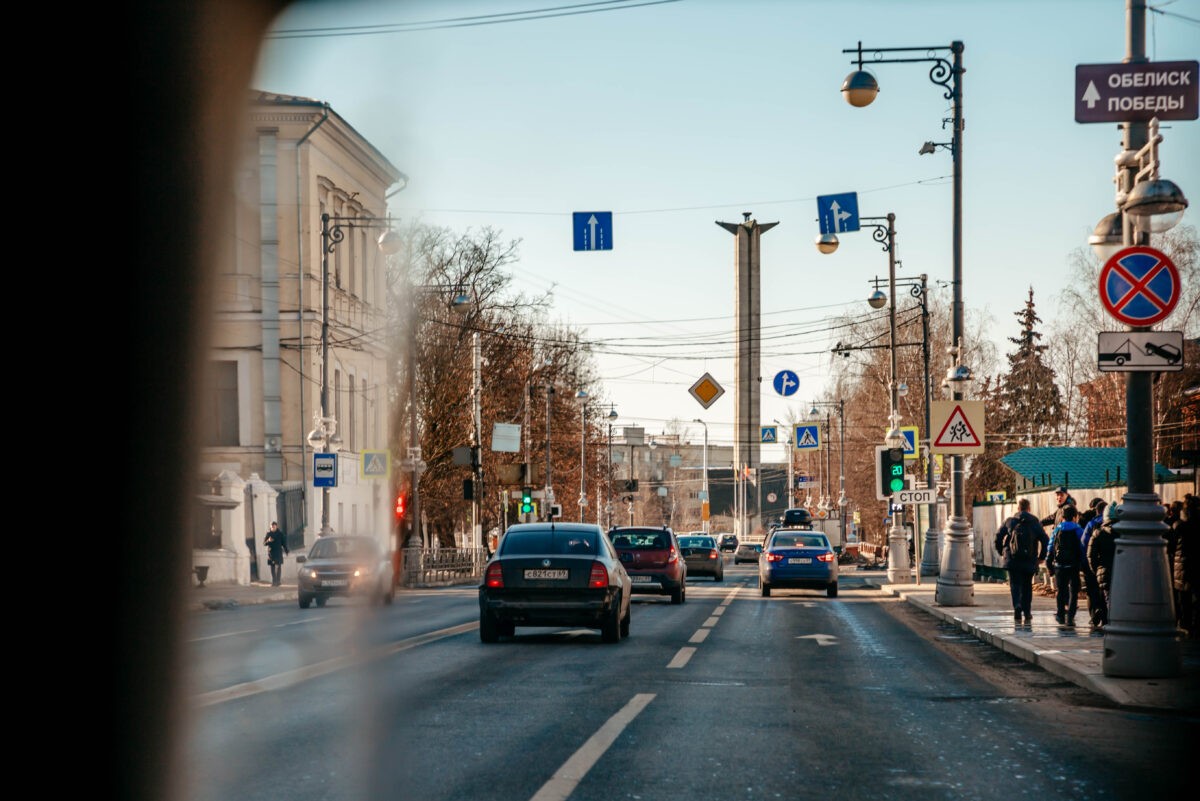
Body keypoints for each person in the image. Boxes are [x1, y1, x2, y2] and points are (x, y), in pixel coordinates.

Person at [996, 498, 1049, 625]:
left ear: (1018, 509)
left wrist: (1001, 552)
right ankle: (1027, 611)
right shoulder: (1035, 522)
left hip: (1012, 560)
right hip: (1029, 560)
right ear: (1029, 509)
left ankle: (1017, 606)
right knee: (1027, 586)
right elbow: (1045, 540)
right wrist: (1041, 557)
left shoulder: (1010, 521)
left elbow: (998, 536)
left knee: (1015, 584)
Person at [1046, 505, 1085, 625]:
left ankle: (1060, 614)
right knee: (1073, 591)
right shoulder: (1078, 529)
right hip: (1073, 565)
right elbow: (1083, 547)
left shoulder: (1057, 529)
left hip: (1059, 565)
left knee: (1061, 590)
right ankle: (1071, 616)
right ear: (1074, 517)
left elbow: (1051, 546)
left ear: (1062, 517)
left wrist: (1049, 563)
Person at [1087, 502, 1120, 627]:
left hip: (1104, 571)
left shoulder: (1098, 533)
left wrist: (1096, 570)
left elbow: (1090, 556)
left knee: (1107, 597)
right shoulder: (1124, 532)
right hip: (1121, 572)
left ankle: (1108, 622)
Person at [264, 521, 288, 586]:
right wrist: (268, 540)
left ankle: (278, 581)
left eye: (274, 527)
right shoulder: (268, 534)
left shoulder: (280, 534)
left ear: (276, 527)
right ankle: (274, 581)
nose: (273, 528)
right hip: (271, 553)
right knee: (272, 567)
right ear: (270, 527)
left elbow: (284, 543)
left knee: (278, 567)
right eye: (272, 527)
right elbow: (264, 543)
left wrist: (286, 551)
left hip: (278, 552)